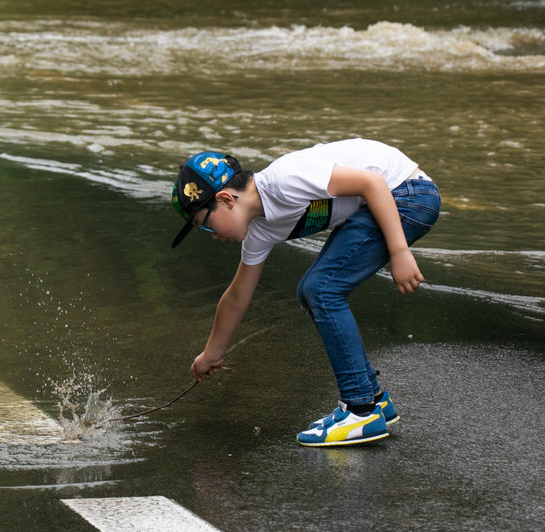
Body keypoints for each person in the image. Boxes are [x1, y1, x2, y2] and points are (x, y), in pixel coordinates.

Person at [170, 139, 440, 447]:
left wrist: (399, 251)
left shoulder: (284, 181)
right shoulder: (261, 229)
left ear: (227, 200)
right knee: (311, 291)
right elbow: (237, 296)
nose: (212, 235)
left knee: (321, 289)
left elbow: (372, 181)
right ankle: (374, 399)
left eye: (204, 225)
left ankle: (360, 409)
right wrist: (211, 354)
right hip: (386, 203)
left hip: (406, 194)